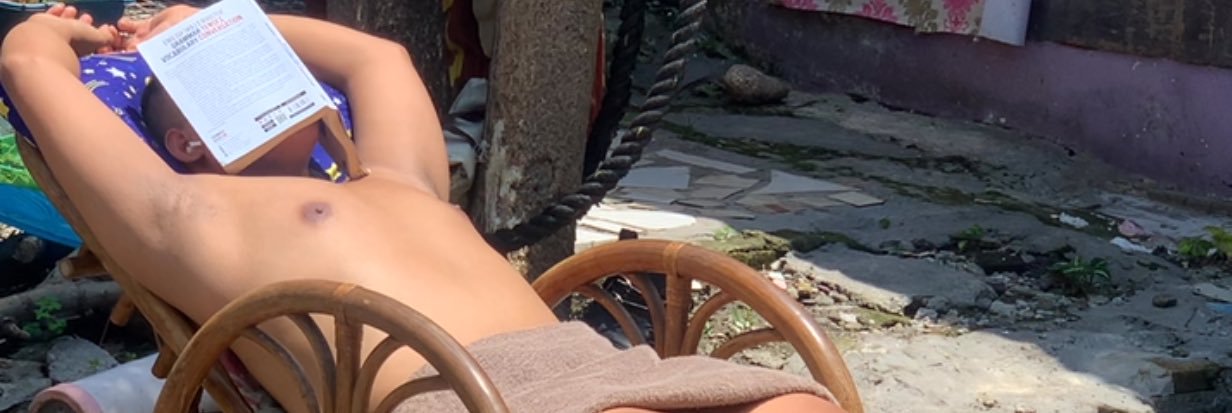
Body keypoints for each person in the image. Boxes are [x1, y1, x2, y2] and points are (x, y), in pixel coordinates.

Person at [0, 5, 845, 413]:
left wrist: (222, 23)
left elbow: (377, 61)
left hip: (603, 366)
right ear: (185, 139)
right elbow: (31, 76)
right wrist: (57, 32)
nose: (272, 82)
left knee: (800, 405)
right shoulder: (191, 212)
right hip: (463, 395)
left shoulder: (394, 179)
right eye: (228, 74)